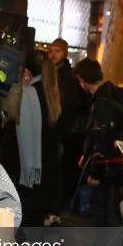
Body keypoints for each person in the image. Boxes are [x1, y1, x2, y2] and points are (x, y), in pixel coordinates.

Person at [75, 58, 123, 227]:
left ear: (82, 80)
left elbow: (103, 142)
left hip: (108, 171)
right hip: (121, 168)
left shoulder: (102, 102)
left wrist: (94, 173)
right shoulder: (116, 93)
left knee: (105, 217)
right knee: (114, 216)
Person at [15, 51, 62, 226]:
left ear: (27, 72)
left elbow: (20, 139)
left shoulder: (28, 94)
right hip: (47, 172)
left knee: (27, 225)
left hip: (29, 175)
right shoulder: (51, 93)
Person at [47, 38, 89, 213]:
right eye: (51, 50)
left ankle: (56, 205)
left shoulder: (66, 77)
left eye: (57, 51)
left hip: (61, 131)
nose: (53, 54)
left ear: (64, 53)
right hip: (55, 129)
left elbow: (69, 106)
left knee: (57, 168)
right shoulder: (52, 73)